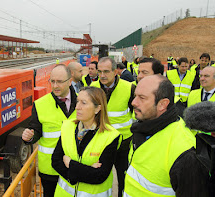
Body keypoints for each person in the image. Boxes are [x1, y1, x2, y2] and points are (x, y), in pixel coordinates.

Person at [124, 75, 207, 197]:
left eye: (142, 98)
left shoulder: (185, 151)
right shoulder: (144, 127)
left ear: (163, 104)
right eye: (135, 95)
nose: (133, 102)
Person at [52, 86, 120, 197]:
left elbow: (99, 176)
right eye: (77, 101)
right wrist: (83, 171)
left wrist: (70, 164)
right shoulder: (67, 127)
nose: (77, 107)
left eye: (83, 103)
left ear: (98, 108)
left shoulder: (111, 136)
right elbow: (55, 161)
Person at [22, 64, 77, 197]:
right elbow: (36, 130)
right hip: (50, 170)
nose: (55, 86)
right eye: (52, 81)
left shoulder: (83, 101)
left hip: (75, 166)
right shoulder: (40, 104)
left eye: (59, 81)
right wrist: (29, 136)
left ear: (70, 81)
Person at [91, 57, 135, 197]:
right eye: (99, 72)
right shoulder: (92, 89)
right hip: (99, 144)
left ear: (115, 71)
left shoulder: (129, 88)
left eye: (106, 71)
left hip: (123, 143)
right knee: (98, 177)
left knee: (124, 178)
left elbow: (138, 115)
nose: (102, 75)